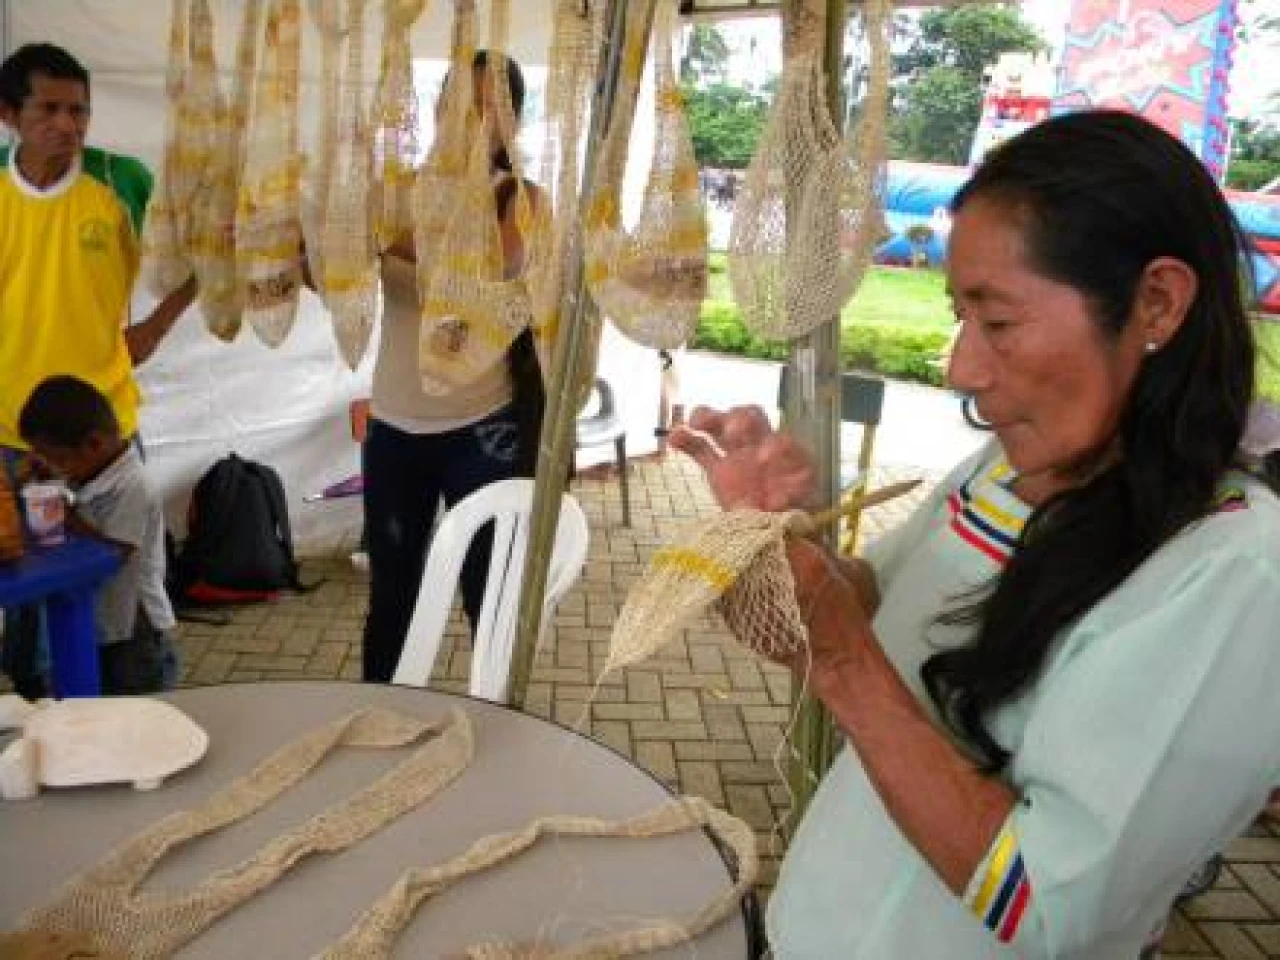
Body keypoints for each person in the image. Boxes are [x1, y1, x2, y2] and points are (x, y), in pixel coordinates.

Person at [671, 109, 1280, 959]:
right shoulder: (1010, 463)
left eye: (998, 323)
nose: (961, 367)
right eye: (961, 318)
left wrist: (842, 662)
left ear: (1157, 302)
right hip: (806, 928)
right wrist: (774, 549)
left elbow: (1050, 910)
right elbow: (872, 604)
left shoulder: (1234, 571)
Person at [1, 43, 196, 696]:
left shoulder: (123, 181)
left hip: (101, 436)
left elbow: (198, 254)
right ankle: (46, 715)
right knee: (26, 597)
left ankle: (136, 702)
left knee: (118, 585)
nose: (68, 124)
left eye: (79, 111)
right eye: (49, 109)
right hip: (12, 437)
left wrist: (155, 326)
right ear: (9, 114)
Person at [360, 50, 545, 682]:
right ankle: (384, 713)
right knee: (393, 594)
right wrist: (300, 244)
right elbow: (336, 278)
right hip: (394, 427)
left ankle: (495, 718)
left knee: (488, 595)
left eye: (491, 108)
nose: (472, 121)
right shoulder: (394, 195)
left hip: (482, 428)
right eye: (460, 104)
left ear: (513, 123)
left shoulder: (523, 201)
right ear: (437, 109)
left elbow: (484, 267)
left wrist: (382, 236)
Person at [19, 376, 179, 694]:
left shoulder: (133, 485)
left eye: (59, 459)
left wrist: (65, 514)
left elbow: (116, 552)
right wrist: (46, 480)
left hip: (135, 624)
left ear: (94, 444)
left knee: (137, 704)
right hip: (103, 618)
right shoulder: (93, 469)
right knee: (102, 696)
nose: (58, 468)